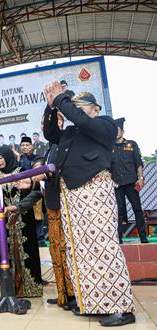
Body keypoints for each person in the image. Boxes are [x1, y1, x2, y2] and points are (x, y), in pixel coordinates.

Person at [44, 82, 135, 326]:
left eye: (80, 108)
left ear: (94, 109)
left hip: (94, 191)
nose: (75, 112)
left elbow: (80, 120)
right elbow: (51, 134)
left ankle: (121, 308)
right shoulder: (72, 133)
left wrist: (62, 98)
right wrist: (52, 107)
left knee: (103, 248)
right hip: (72, 195)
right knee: (81, 251)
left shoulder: (105, 124)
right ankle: (94, 303)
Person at [0, 146, 43, 298]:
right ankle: (13, 289)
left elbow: (35, 192)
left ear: (8, 157)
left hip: (24, 218)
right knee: (8, 252)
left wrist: (19, 206)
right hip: (5, 222)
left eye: (1, 158)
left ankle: (31, 288)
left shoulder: (22, 170)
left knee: (28, 251)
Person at [42, 111, 76, 309]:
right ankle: (62, 293)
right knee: (56, 250)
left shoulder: (65, 143)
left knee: (67, 249)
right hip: (52, 203)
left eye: (57, 120)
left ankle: (72, 294)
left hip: (65, 205)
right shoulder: (49, 148)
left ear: (62, 123)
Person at [110, 118, 148, 244]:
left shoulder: (131, 145)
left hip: (131, 183)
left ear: (123, 131)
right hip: (117, 184)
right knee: (119, 211)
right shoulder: (109, 147)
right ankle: (118, 238)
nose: (116, 132)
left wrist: (141, 178)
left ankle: (143, 237)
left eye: (118, 129)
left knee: (137, 209)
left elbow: (138, 162)